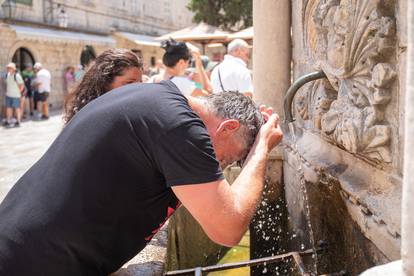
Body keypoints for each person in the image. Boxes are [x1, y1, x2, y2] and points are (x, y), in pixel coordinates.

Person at [0, 80, 283, 275]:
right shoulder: (180, 127)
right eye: (228, 159)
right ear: (227, 127)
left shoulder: (159, 102)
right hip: (34, 264)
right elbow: (228, 228)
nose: (219, 167)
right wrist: (261, 148)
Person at [64, 48, 143, 123]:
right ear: (106, 82)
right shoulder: (90, 118)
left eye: (140, 83)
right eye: (129, 83)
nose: (137, 89)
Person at [4, 62, 24, 127]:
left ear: (13, 69)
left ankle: (18, 121)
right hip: (8, 95)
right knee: (8, 108)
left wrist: (18, 92)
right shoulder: (7, 75)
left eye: (10, 68)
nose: (8, 69)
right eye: (8, 68)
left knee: (17, 109)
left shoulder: (17, 76)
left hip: (16, 96)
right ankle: (8, 120)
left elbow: (22, 85)